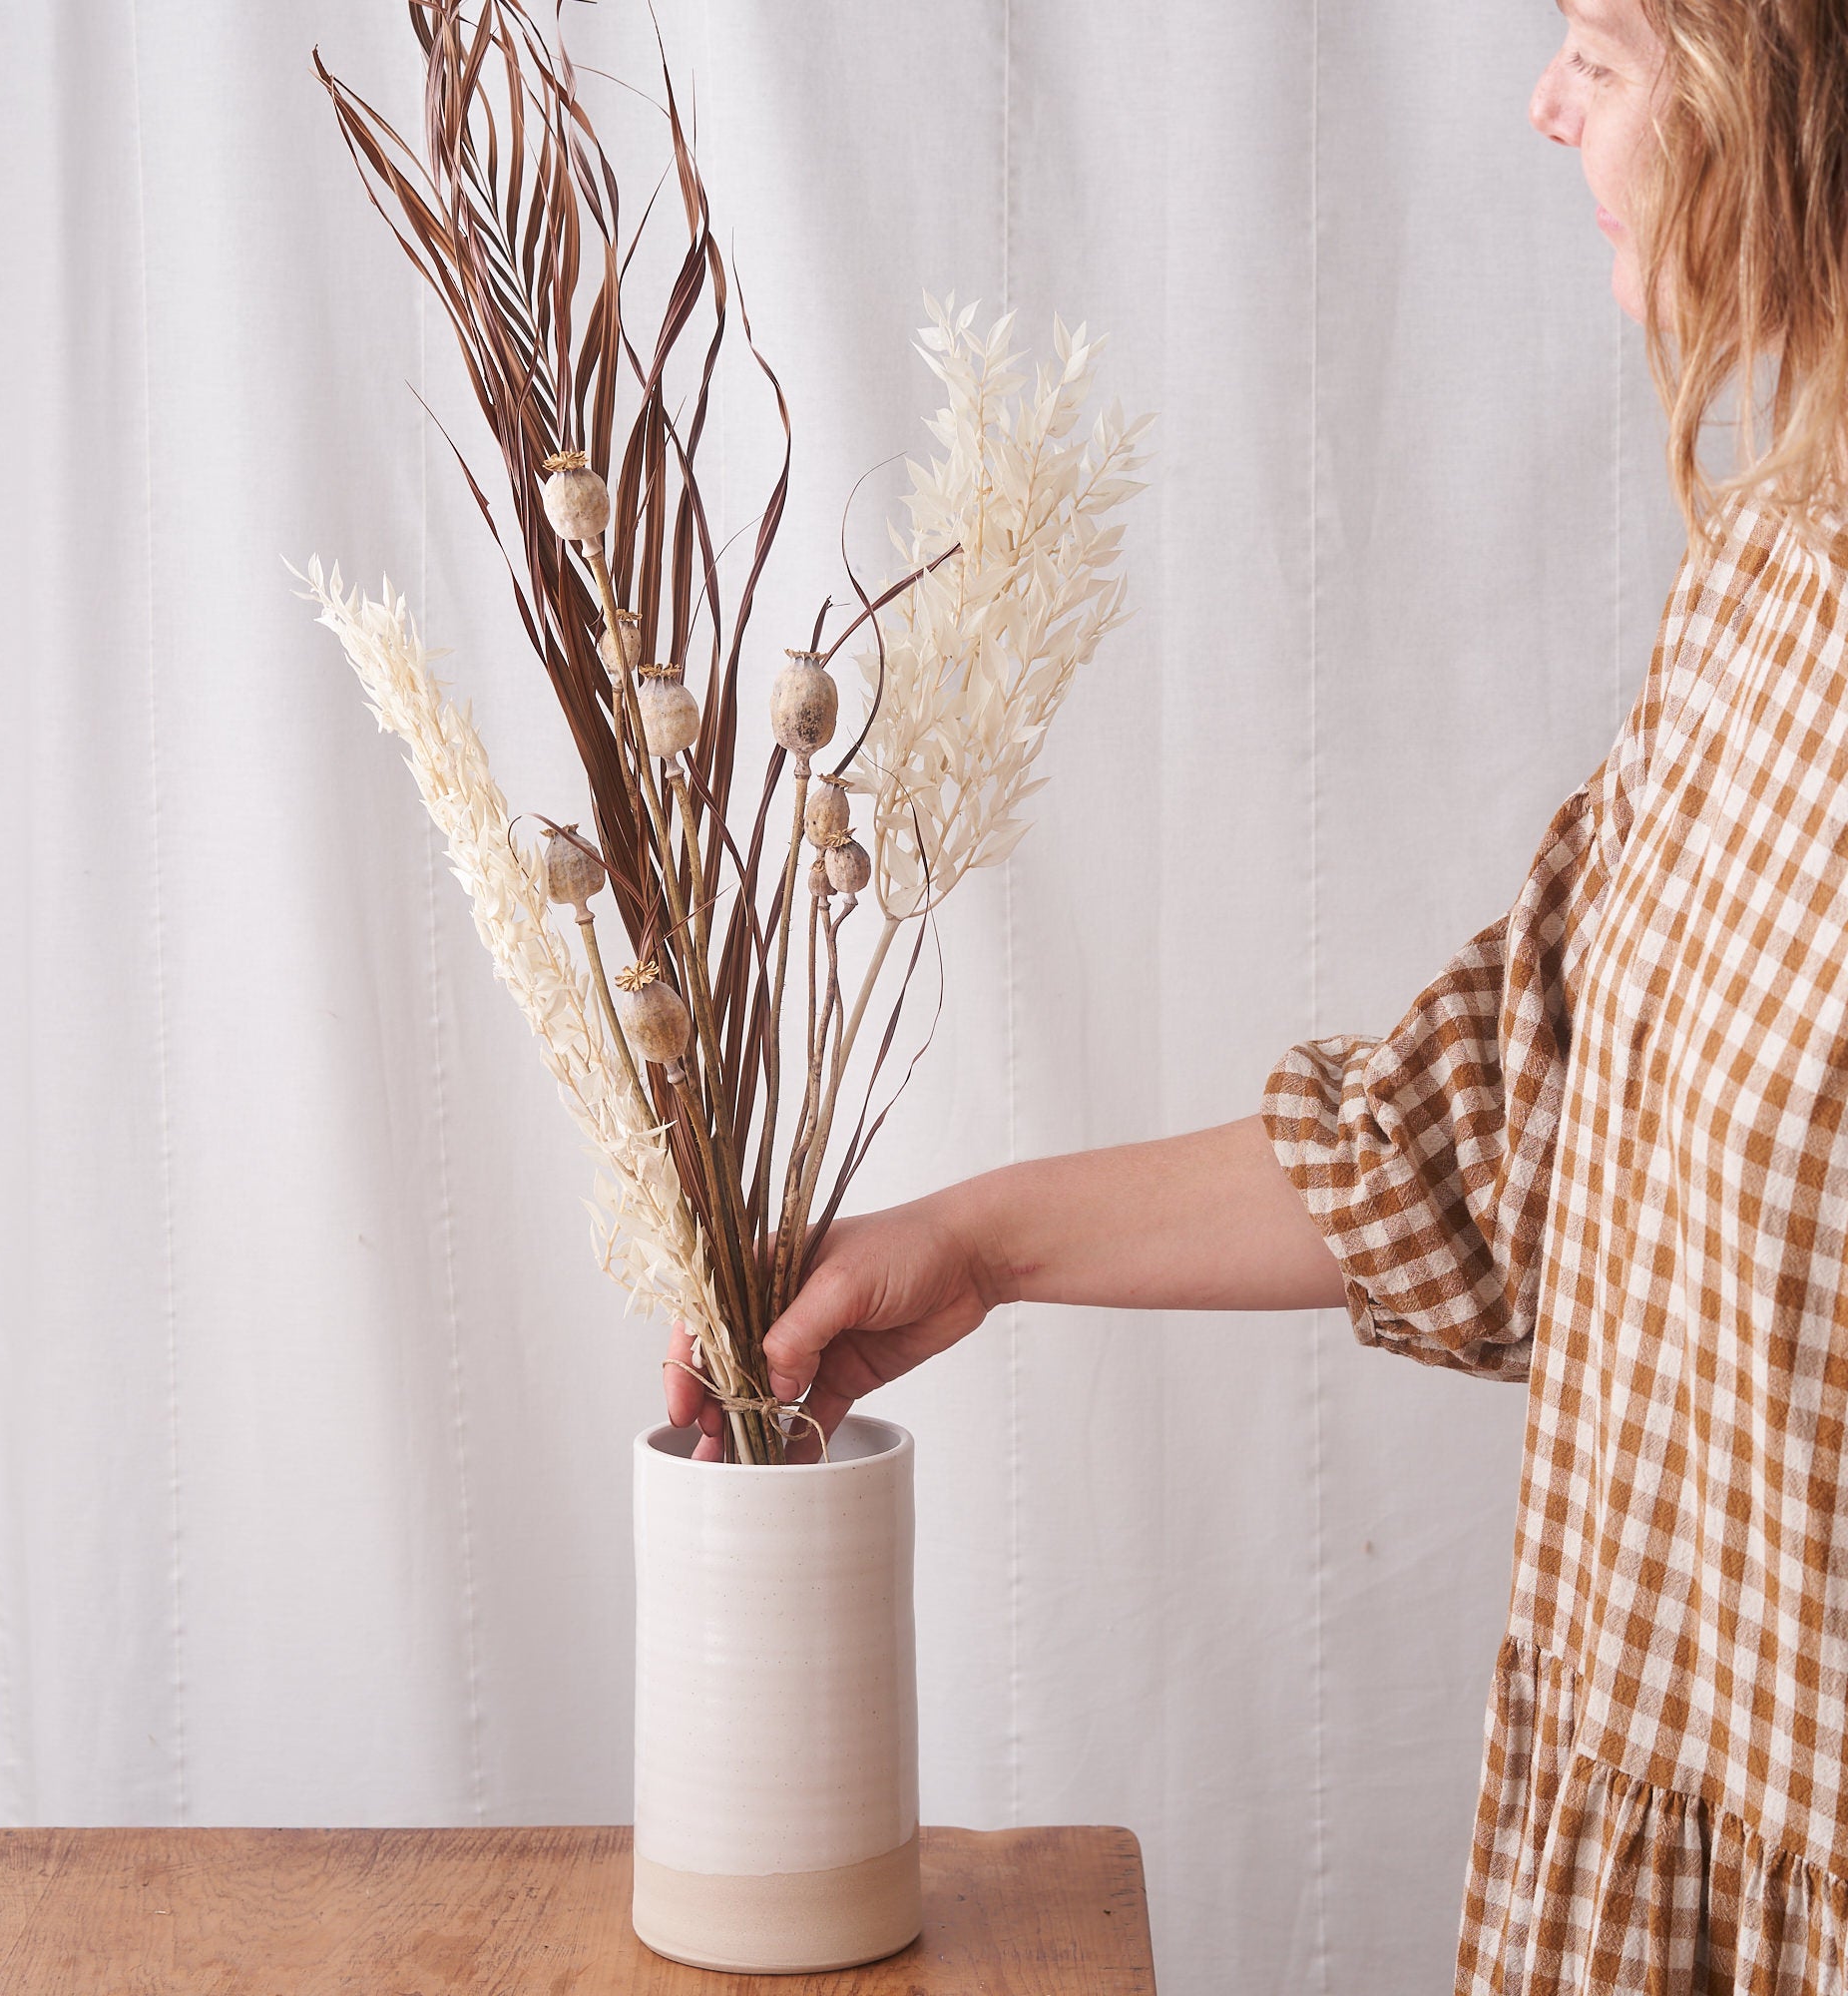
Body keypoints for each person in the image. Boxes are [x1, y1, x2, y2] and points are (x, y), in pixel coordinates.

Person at [670, 2, 1848, 1987]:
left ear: (1783, 94)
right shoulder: (1765, 579)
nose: (1544, 100)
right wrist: (963, 1246)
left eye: (1604, 52)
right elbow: (1503, 1124)